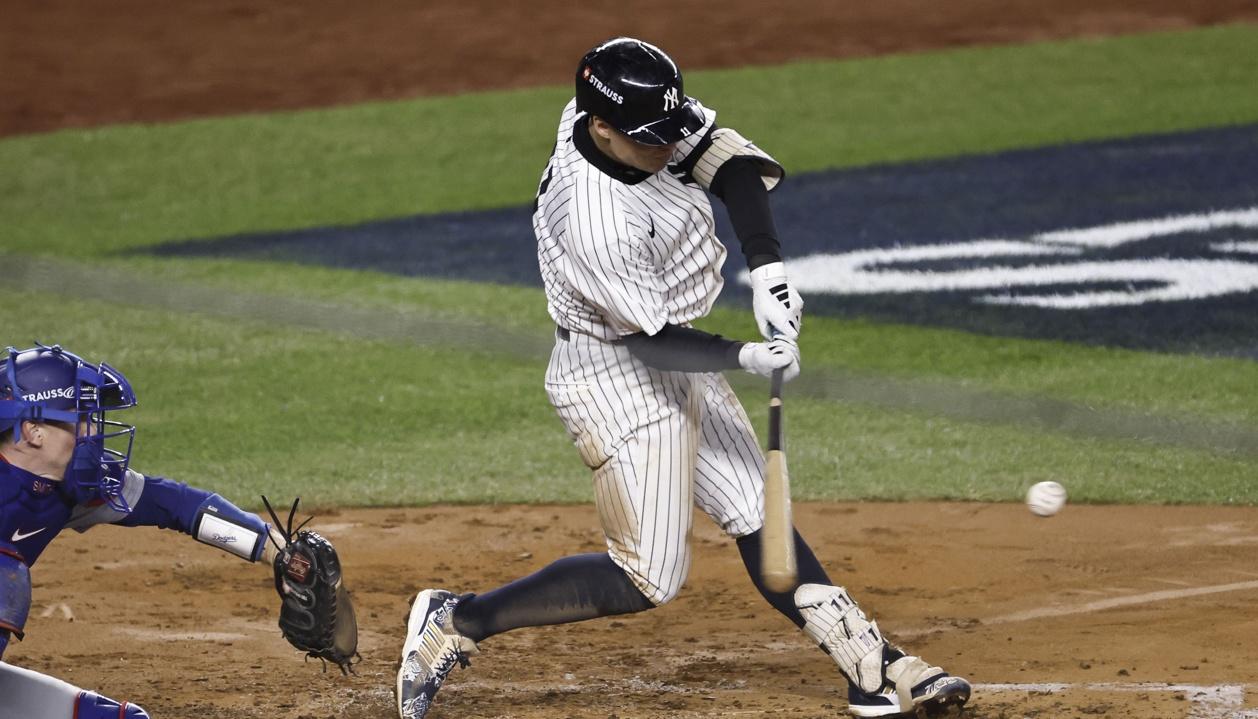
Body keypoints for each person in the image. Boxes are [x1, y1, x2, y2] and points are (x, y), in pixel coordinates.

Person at [396, 37, 971, 719]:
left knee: (758, 506)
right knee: (647, 577)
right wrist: (747, 356)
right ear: (602, 130)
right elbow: (656, 342)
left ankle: (871, 666)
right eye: (651, 140)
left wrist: (768, 269)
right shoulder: (594, 221)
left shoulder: (624, 116)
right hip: (616, 373)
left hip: (674, 348)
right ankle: (458, 619)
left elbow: (726, 162)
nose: (669, 147)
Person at [0, 344, 284, 718]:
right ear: (34, 431)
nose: (93, 433)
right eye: (81, 418)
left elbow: (171, 502)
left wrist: (269, 546)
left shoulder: (66, 490)